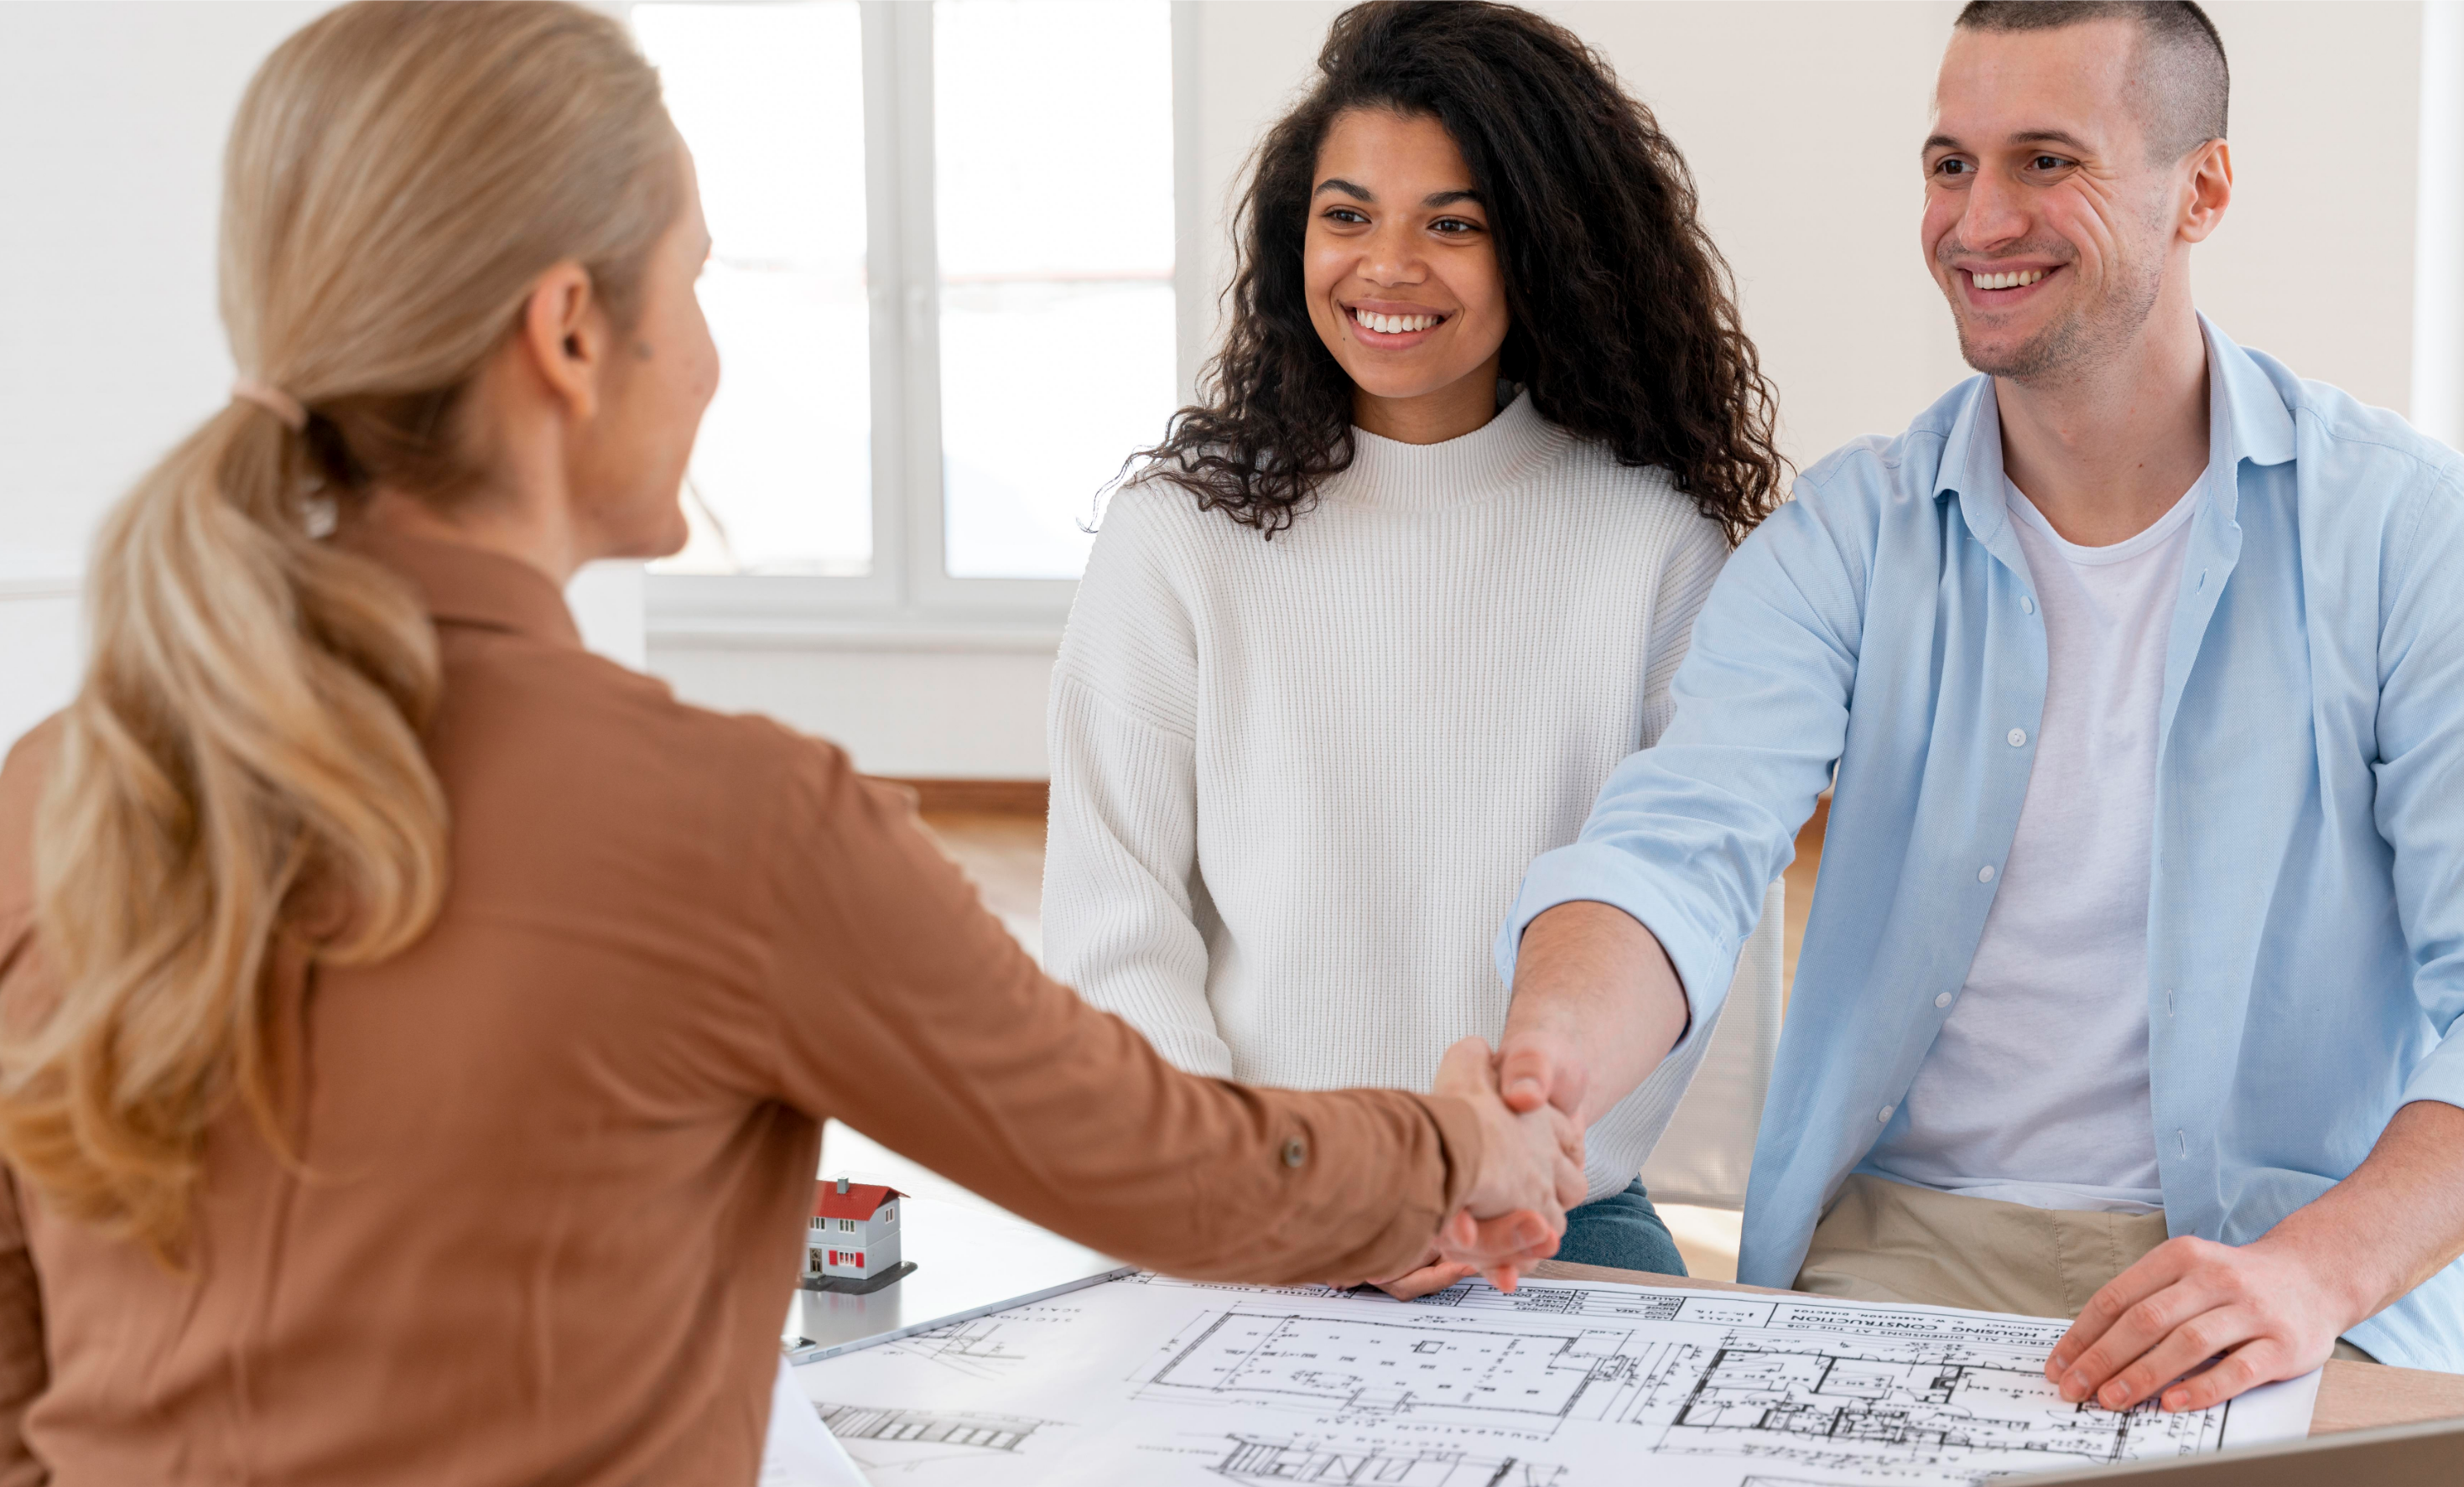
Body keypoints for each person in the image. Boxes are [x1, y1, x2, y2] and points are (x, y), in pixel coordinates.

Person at [0, 3, 1583, 1480]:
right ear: (568, 333)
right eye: (692, 281)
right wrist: (1450, 1147)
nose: (706, 353)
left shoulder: (64, 785)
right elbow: (1162, 1166)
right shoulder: (735, 825)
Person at [1486, 0, 2464, 1414]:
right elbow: (1677, 846)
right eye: (1949, 164)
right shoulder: (1851, 535)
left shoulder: (2418, 538)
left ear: (2201, 187)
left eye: (2045, 161)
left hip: (2313, 1267)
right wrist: (1542, 1075)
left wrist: (2316, 1275)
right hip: (1902, 1250)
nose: (1978, 221)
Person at [1042, 0, 1783, 1296]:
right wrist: (1280, 1191)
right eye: (1348, 215)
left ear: (1545, 249)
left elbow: (1695, 932)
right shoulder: (1177, 538)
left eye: (1454, 223)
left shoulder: (1654, 548)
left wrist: (1494, 1180)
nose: (1387, 265)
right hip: (1238, 1203)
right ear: (1295, 237)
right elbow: (1114, 931)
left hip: (1548, 1214)